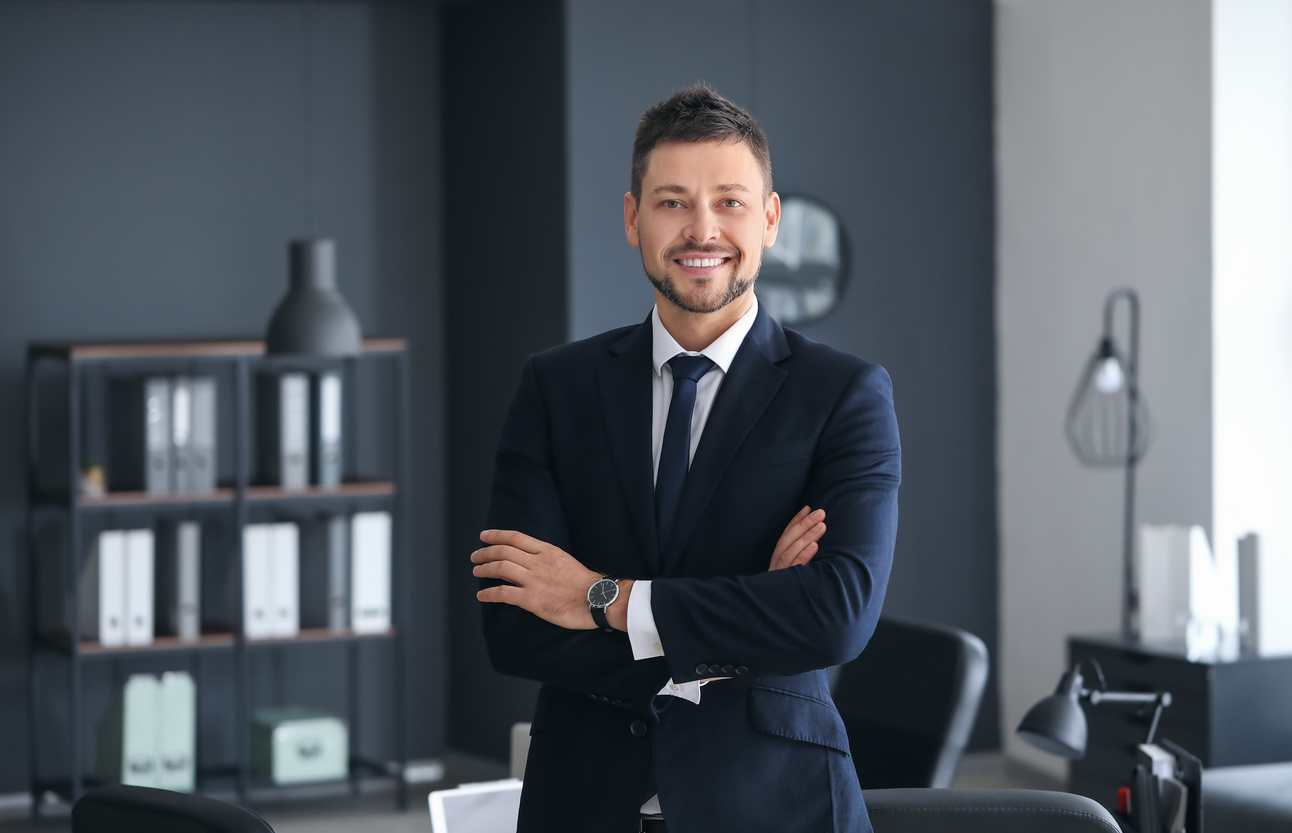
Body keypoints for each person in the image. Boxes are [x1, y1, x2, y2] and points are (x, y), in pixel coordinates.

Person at [471, 84, 901, 833]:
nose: (703, 229)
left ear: (770, 220)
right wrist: (756, 613)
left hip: (776, 804)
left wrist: (604, 598)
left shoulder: (845, 394)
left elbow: (836, 616)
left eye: (730, 202)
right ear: (633, 219)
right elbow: (514, 625)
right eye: (672, 202)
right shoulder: (555, 387)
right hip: (584, 803)